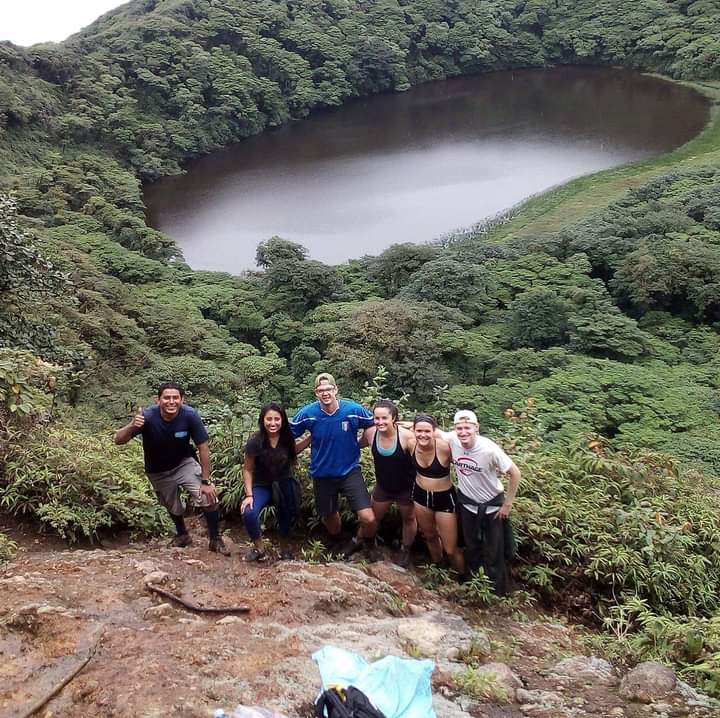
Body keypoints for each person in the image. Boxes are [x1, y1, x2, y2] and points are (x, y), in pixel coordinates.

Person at [113, 382, 230, 555]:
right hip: (157, 469)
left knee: (208, 497)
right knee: (172, 505)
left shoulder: (190, 415)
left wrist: (206, 480)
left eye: (175, 398)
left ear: (182, 400)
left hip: (184, 463)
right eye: (167, 397)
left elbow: (203, 448)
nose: (171, 401)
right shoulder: (147, 417)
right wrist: (132, 425)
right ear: (158, 400)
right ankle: (182, 534)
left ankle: (215, 539)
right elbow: (118, 440)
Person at [289, 373, 381, 560]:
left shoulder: (353, 410)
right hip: (322, 474)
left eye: (328, 389)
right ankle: (339, 542)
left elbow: (373, 425)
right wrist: (293, 453)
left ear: (336, 390)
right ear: (316, 393)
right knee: (330, 518)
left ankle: (368, 543)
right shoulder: (308, 414)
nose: (325, 393)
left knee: (368, 517)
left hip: (350, 471)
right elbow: (287, 433)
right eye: (321, 390)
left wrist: (364, 443)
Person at [439, 409, 520, 595]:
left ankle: (496, 592)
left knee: (494, 551)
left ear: (476, 428)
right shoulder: (452, 439)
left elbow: (515, 473)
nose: (463, 432)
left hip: (492, 505)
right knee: (471, 547)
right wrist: (396, 423)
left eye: (467, 428)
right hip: (467, 503)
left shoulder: (489, 449)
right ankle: (472, 585)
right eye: (459, 428)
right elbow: (427, 429)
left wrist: (507, 505)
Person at [241, 403, 310, 562]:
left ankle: (285, 548)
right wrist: (249, 495)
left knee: (287, 513)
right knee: (249, 512)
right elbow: (247, 469)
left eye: (277, 419)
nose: (273, 423)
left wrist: (311, 437)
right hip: (262, 484)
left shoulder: (287, 438)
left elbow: (293, 451)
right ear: (262, 420)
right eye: (269, 419)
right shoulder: (255, 441)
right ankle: (259, 549)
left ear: (283, 420)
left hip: (284, 481)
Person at [358, 399, 417, 567]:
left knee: (409, 518)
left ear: (394, 418)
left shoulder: (407, 437)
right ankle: (365, 543)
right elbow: (354, 446)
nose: (380, 422)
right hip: (383, 486)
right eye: (377, 418)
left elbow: (421, 460)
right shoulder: (371, 433)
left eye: (384, 418)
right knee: (372, 518)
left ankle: (406, 550)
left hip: (406, 487)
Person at [408, 414, 464, 575]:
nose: (423, 435)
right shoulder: (411, 444)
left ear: (434, 431)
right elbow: (393, 427)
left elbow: (465, 461)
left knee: (451, 548)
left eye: (427, 431)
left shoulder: (445, 447)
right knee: (430, 536)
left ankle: (461, 577)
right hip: (420, 496)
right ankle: (438, 569)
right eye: (419, 431)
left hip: (445, 498)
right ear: (413, 430)